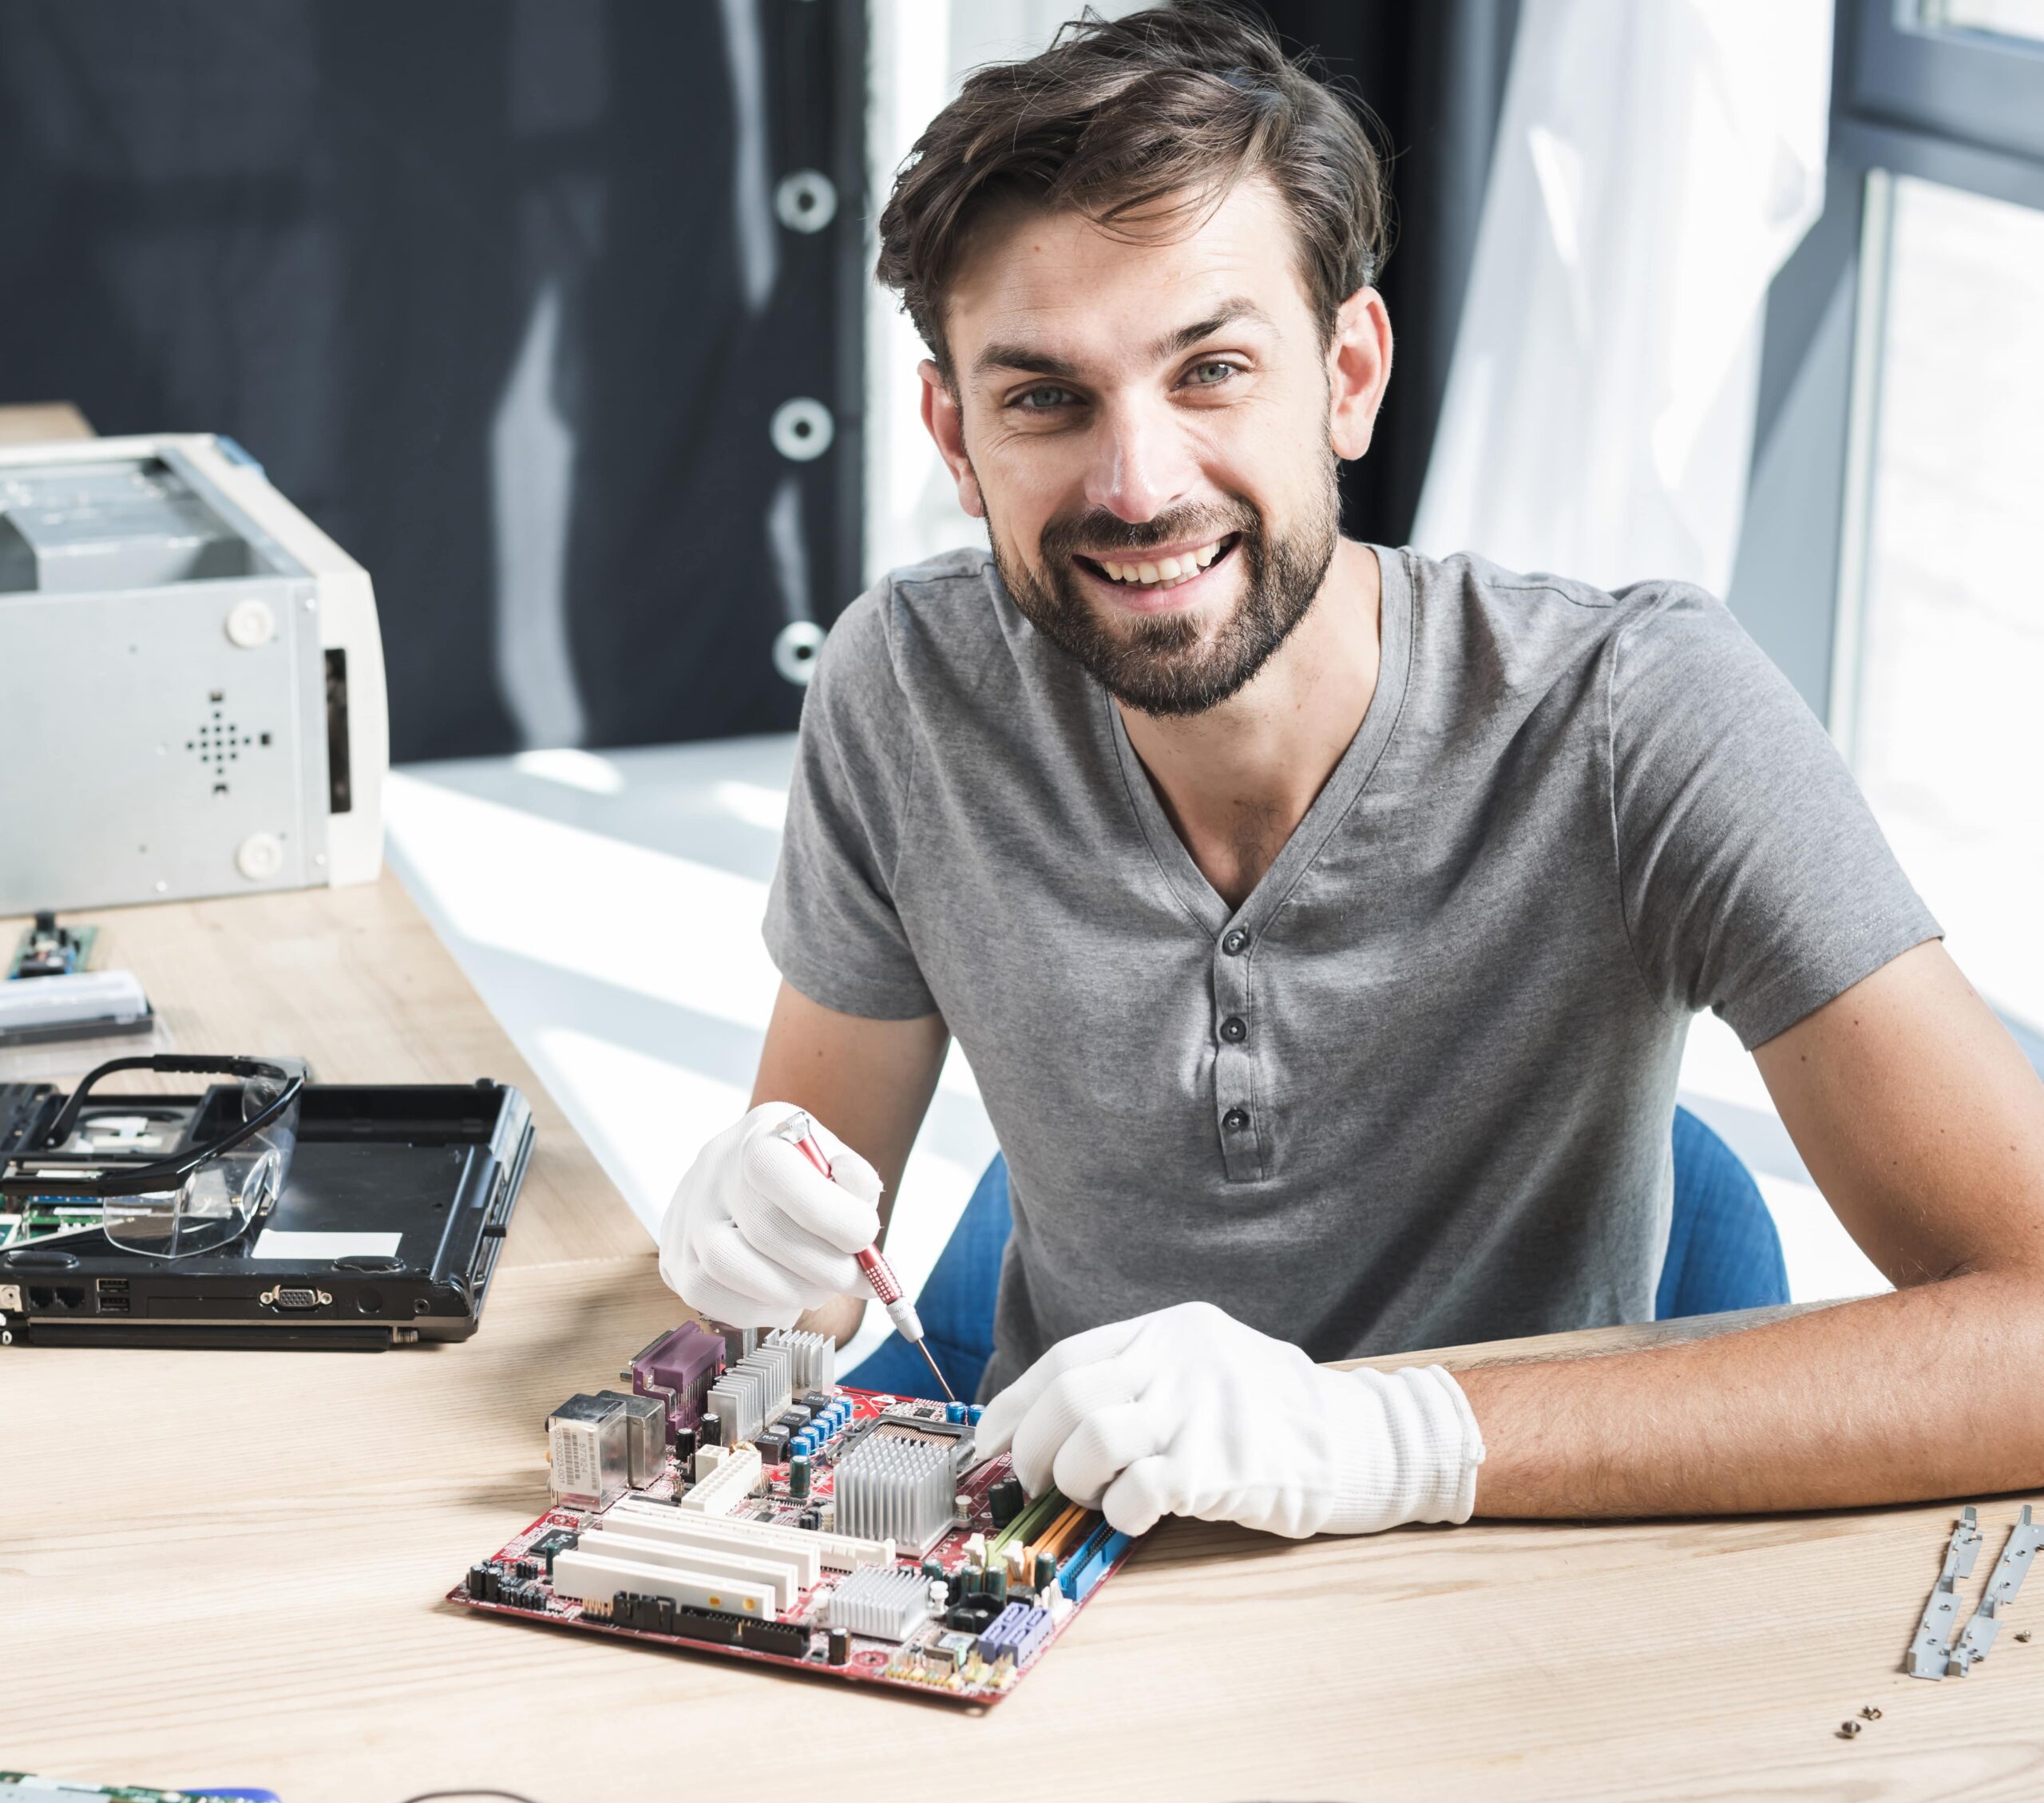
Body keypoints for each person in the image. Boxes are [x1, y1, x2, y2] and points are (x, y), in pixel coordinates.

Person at [660, 6, 2044, 1543]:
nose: (1138, 485)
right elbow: (799, 1260)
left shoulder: (1637, 715)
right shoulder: (903, 687)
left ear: (1348, 373)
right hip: (1055, 1583)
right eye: (1045, 397)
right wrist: (746, 1257)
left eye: (1212, 370)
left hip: (1496, 1605)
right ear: (956, 435)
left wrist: (1385, 1438)